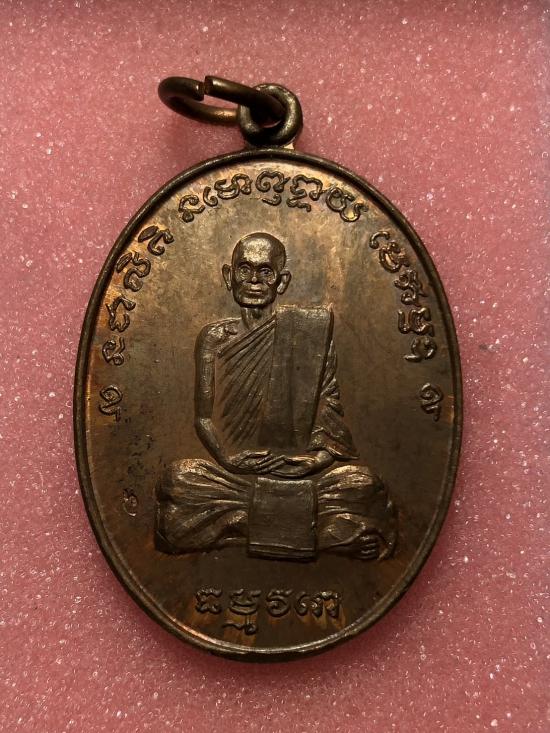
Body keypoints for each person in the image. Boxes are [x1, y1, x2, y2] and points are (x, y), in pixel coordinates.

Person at [156, 232, 396, 560]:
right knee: (178, 479)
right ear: (228, 276)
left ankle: (240, 526)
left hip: (299, 476)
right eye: (244, 269)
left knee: (363, 484)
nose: (254, 280)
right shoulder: (213, 337)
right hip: (235, 477)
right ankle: (319, 535)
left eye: (265, 272)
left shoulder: (311, 333)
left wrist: (314, 462)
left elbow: (330, 418)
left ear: (282, 282)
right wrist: (227, 460)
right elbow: (202, 418)